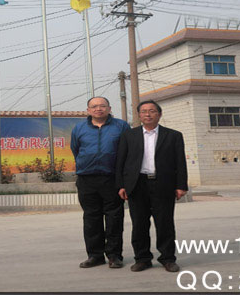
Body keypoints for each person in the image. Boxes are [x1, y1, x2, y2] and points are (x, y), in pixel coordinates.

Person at [115, 100, 188, 273]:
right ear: (139, 115)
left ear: (159, 114)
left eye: (152, 111)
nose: (148, 114)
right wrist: (121, 185)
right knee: (139, 224)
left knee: (165, 223)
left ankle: (168, 258)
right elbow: (120, 162)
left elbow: (180, 162)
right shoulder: (128, 136)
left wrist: (181, 185)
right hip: (137, 184)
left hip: (163, 184)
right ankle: (142, 259)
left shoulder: (173, 135)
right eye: (144, 111)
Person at [70, 96, 131, 269]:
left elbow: (127, 151)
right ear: (88, 110)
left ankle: (114, 255)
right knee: (91, 218)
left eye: (102, 106)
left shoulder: (121, 126)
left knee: (114, 218)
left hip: (112, 178)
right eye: (94, 106)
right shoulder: (79, 128)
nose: (98, 109)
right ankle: (95, 255)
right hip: (87, 178)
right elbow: (76, 149)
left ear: (109, 109)